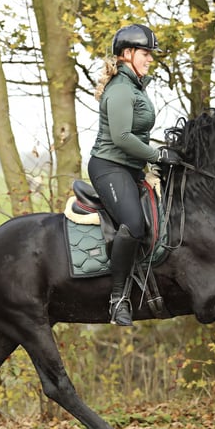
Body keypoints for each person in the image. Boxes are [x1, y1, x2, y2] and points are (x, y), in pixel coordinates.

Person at [88, 23, 184, 326]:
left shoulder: (133, 87)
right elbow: (121, 138)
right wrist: (157, 155)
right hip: (109, 167)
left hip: (130, 168)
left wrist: (162, 158)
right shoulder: (119, 90)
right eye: (145, 53)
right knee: (134, 224)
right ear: (127, 54)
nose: (150, 59)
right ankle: (119, 300)